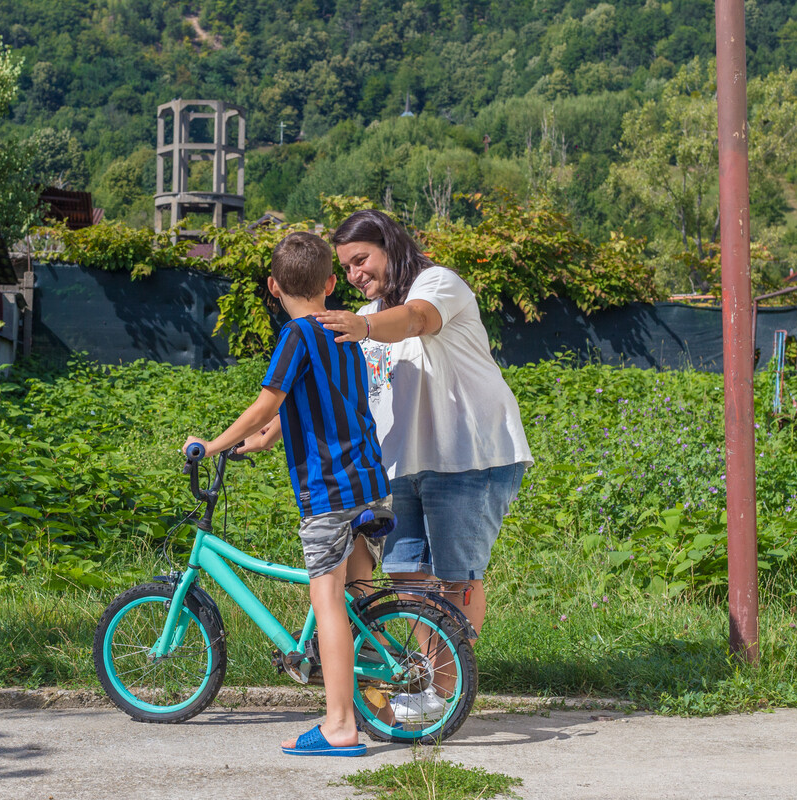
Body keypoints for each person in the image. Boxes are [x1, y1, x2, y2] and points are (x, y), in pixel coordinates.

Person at [313, 208, 534, 723]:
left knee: (455, 578)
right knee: (409, 578)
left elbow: (415, 320)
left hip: (469, 456)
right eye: (345, 267)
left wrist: (364, 324)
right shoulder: (370, 314)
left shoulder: (438, 284)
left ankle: (445, 692)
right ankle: (431, 687)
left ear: (389, 245)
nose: (354, 274)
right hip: (406, 464)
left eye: (361, 259)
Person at [184, 231, 390, 757]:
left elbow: (267, 401)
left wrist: (214, 445)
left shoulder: (296, 337)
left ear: (273, 287)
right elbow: (325, 402)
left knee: (330, 611)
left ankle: (339, 725)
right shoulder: (346, 336)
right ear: (329, 282)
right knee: (359, 600)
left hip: (329, 492)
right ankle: (380, 704)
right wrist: (263, 441)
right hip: (369, 484)